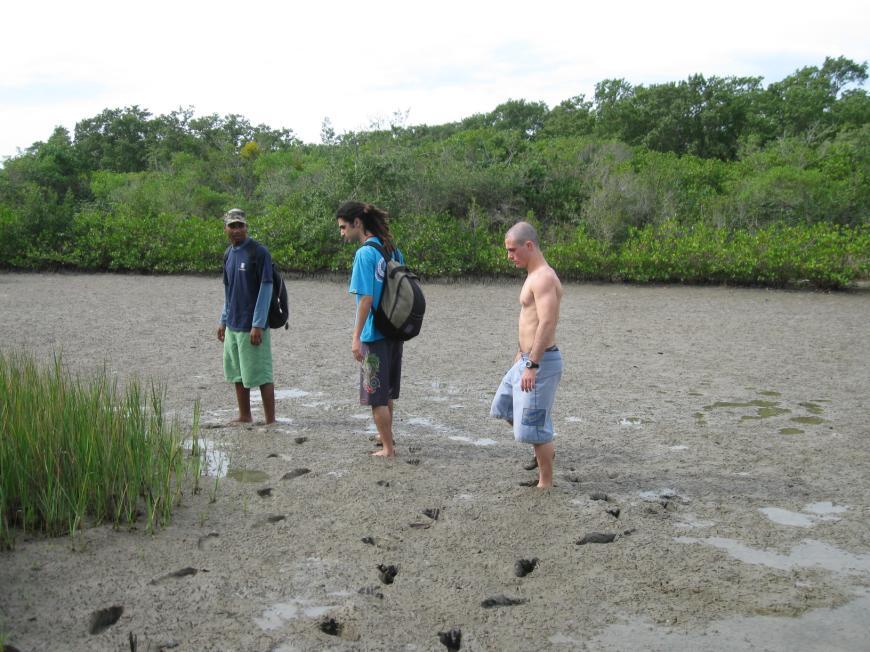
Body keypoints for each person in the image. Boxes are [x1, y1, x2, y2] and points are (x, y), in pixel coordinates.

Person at [490, 221, 564, 488]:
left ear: (529, 246)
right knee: (504, 406)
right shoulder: (532, 275)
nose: (509, 256)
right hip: (524, 359)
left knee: (532, 426)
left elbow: (546, 323)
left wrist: (532, 364)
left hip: (540, 362)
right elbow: (529, 322)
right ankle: (541, 444)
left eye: (512, 250)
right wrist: (520, 355)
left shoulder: (543, 277)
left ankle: (545, 482)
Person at [336, 201, 405, 457]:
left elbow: (365, 298)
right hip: (394, 331)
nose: (342, 233)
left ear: (357, 223)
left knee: (375, 395)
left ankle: (388, 448)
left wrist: (356, 337)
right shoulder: (392, 249)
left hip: (374, 334)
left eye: (344, 227)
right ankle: (386, 436)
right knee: (386, 391)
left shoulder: (364, 254)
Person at [217, 208, 276, 425]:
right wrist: (223, 320)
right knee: (238, 374)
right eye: (232, 226)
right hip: (233, 325)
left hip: (253, 326)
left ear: (246, 226)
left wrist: (258, 324)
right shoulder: (228, 254)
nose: (236, 230)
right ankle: (245, 415)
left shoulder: (258, 252)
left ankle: (271, 420)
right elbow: (228, 290)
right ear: (226, 228)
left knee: (261, 373)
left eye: (240, 225)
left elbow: (266, 288)